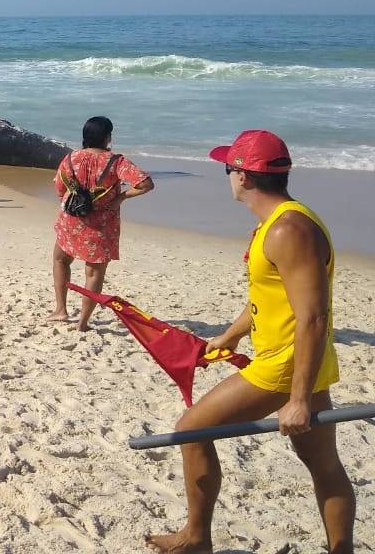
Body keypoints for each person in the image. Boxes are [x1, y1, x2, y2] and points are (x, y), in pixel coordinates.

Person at [145, 130, 354, 554]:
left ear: (242, 176)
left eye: (228, 168)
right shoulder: (277, 223)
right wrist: (226, 337)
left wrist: (296, 398)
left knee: (190, 431)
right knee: (321, 462)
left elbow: (313, 316)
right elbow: (268, 298)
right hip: (297, 360)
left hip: (286, 365)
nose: (228, 177)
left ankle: (196, 538)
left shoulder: (287, 230)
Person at [50, 116, 153, 330]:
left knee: (60, 260)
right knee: (94, 273)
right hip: (102, 224)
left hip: (72, 220)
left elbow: (59, 187)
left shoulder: (71, 158)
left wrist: (71, 205)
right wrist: (120, 197)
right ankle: (83, 322)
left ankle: (61, 310)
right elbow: (145, 184)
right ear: (107, 138)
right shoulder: (116, 162)